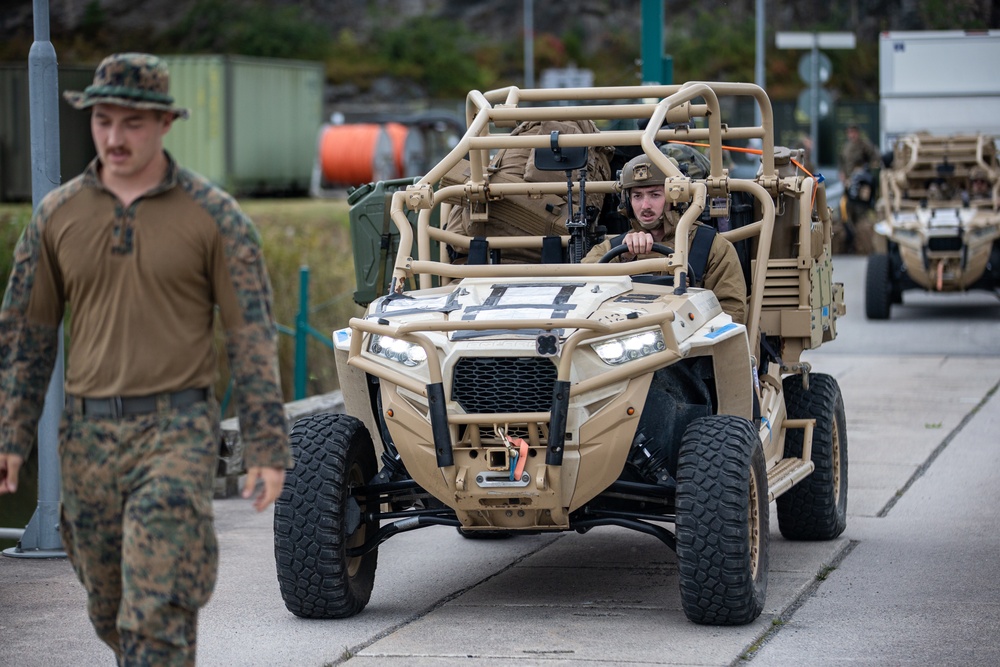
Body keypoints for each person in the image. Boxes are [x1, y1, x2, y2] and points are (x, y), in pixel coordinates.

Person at [0, 53, 290, 665]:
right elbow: (27, 332)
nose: (114, 136)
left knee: (155, 611)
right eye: (104, 120)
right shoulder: (58, 216)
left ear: (163, 124)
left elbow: (251, 337)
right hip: (87, 439)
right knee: (111, 611)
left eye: (132, 123)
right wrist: (12, 434)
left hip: (176, 434)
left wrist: (267, 447)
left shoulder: (213, 217)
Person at [582, 152, 747, 323]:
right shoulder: (614, 248)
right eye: (637, 196)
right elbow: (581, 290)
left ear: (674, 198)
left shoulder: (712, 247)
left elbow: (732, 313)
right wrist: (623, 257)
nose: (645, 206)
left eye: (655, 195)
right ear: (627, 201)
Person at [837, 124, 880, 254]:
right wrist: (843, 175)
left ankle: (863, 245)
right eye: (849, 132)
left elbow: (875, 160)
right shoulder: (846, 147)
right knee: (847, 214)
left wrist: (863, 170)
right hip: (849, 185)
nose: (851, 135)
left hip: (861, 185)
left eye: (854, 132)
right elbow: (842, 163)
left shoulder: (864, 145)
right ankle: (852, 244)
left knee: (861, 213)